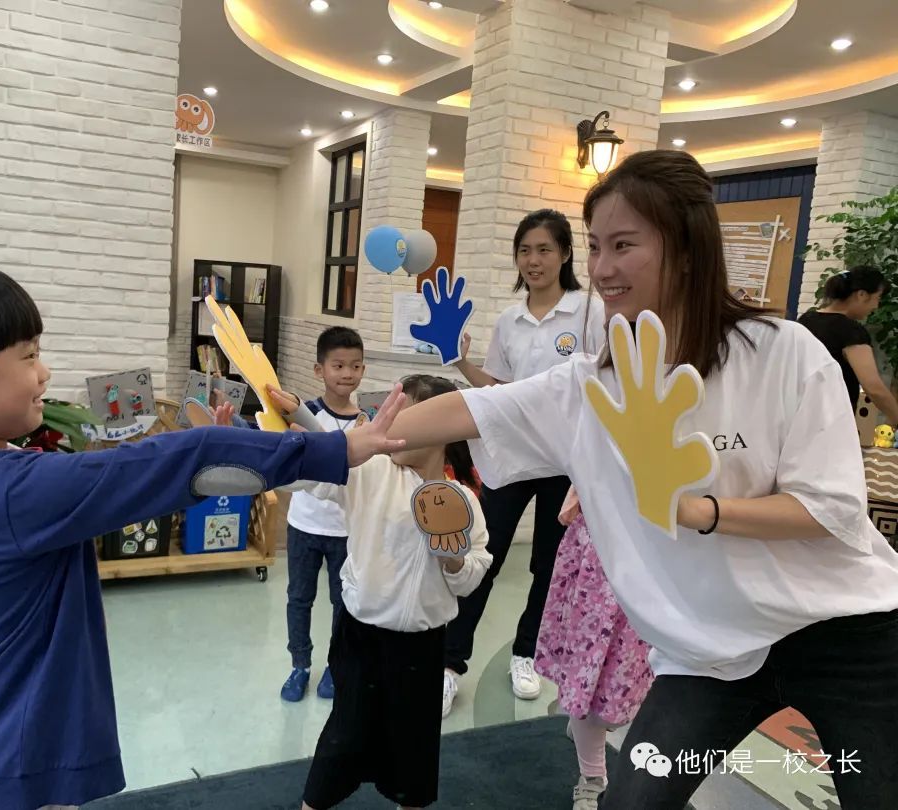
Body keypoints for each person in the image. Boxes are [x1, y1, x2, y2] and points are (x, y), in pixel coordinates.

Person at [378, 150, 898, 809]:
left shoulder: (782, 352)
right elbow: (474, 410)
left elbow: (831, 510)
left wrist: (698, 509)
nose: (601, 268)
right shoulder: (593, 384)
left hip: (844, 633)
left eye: (623, 245)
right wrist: (351, 442)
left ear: (687, 249)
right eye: (595, 246)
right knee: (634, 801)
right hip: (708, 653)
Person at [0, 258, 406, 810]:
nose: (43, 372)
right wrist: (337, 448)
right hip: (10, 764)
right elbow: (169, 460)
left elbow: (156, 473)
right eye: (27, 356)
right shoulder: (6, 491)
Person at [273, 375, 493, 810]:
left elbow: (472, 576)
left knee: (413, 751)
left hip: (422, 648)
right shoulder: (371, 472)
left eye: (405, 416)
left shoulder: (462, 500)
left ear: (442, 429)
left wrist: (452, 559)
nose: (389, 426)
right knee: (342, 740)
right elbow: (323, 459)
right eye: (389, 414)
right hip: (361, 638)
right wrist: (291, 416)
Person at [444, 209, 605, 716]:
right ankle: (450, 664)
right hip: (511, 457)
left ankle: (526, 653)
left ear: (565, 254)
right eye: (525, 250)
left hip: (565, 460)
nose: (533, 260)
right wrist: (460, 361)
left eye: (544, 249)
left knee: (549, 563)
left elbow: (606, 383)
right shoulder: (509, 321)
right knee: (485, 556)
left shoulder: (589, 312)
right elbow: (499, 390)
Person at [541, 487, 652, 810]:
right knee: (586, 671)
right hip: (600, 557)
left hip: (655, 558)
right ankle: (592, 776)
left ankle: (586, 725)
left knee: (629, 676)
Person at [279, 326, 367, 702]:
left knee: (342, 601)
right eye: (338, 365)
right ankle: (299, 665)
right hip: (303, 525)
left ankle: (335, 664)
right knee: (299, 598)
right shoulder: (304, 413)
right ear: (320, 370)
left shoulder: (366, 423)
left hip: (346, 531)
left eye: (356, 366)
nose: (348, 374)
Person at [798, 265, 898, 424]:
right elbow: (873, 387)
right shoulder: (851, 331)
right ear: (862, 295)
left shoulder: (806, 320)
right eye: (877, 298)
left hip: (798, 413)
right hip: (831, 419)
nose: (876, 306)